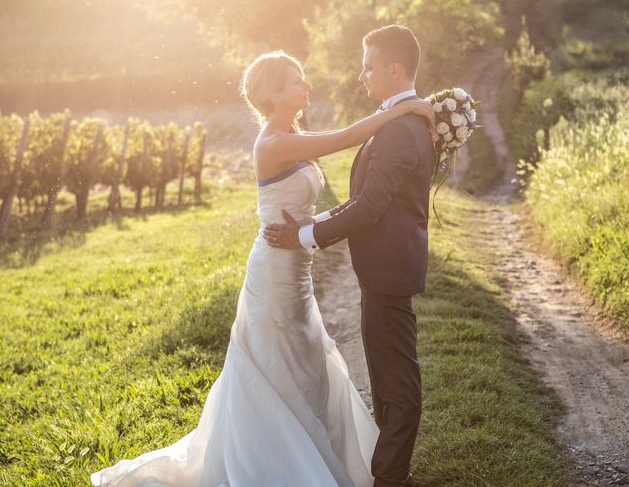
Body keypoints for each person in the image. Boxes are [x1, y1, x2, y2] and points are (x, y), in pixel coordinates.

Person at [89, 49, 433, 487]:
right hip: (273, 274)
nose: (306, 86)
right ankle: (274, 465)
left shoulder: (293, 132)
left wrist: (314, 230)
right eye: (296, 80)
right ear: (272, 93)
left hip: (298, 274)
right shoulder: (274, 142)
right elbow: (348, 136)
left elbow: (314, 202)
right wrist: (404, 108)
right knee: (273, 369)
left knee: (303, 366)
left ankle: (308, 454)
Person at [264, 25, 435, 487]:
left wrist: (308, 235)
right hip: (387, 266)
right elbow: (366, 196)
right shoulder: (401, 121)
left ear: (394, 69)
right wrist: (310, 226)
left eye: (369, 66)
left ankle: (391, 477)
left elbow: (371, 205)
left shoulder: (402, 127)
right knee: (385, 371)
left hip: (390, 268)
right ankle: (390, 469)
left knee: (397, 378)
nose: (363, 76)